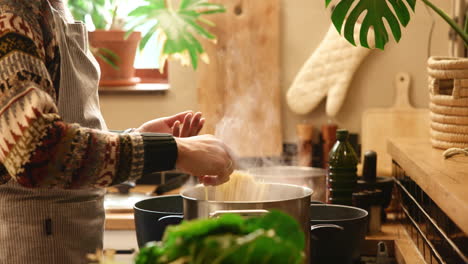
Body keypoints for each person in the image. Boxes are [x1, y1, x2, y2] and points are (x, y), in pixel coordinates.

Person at [0, 0, 234, 263]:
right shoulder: (13, 13)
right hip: (30, 245)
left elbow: (64, 135)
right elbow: (35, 151)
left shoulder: (53, 9)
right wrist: (173, 151)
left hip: (67, 239)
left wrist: (136, 138)